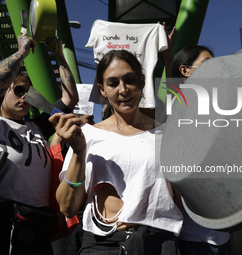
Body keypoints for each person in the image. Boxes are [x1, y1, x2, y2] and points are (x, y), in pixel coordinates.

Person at [56, 50, 183, 254]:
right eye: (113, 83)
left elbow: (185, 196)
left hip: (159, 244)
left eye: (130, 80)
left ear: (142, 82)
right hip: (101, 245)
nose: (123, 90)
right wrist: (79, 152)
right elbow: (68, 207)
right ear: (102, 89)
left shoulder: (168, 135)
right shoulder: (87, 136)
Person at [0, 33, 78, 254]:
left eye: (28, 92)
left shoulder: (36, 127)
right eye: (18, 90)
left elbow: (70, 98)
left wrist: (59, 56)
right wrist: (22, 52)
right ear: (3, 93)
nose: (25, 97)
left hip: (37, 227)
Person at [170, 45, 231, 255]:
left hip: (223, 232)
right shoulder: (177, 113)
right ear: (185, 71)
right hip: (194, 236)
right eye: (207, 63)